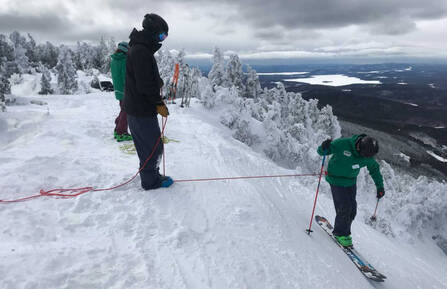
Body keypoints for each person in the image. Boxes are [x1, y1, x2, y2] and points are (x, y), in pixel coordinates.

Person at [124, 13, 173, 190]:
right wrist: (158, 103)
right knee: (151, 147)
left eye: (164, 37)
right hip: (140, 110)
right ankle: (150, 182)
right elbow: (144, 85)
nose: (162, 40)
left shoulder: (140, 49)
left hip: (139, 108)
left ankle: (151, 175)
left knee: (151, 146)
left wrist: (156, 81)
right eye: (161, 36)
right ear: (153, 32)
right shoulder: (140, 51)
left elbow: (144, 78)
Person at [317, 134, 385, 247]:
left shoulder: (367, 156)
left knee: (352, 210)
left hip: (351, 182)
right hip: (336, 179)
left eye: (368, 156)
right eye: (365, 155)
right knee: (345, 207)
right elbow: (321, 152)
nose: (366, 158)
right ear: (359, 147)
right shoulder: (342, 144)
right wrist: (324, 146)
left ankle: (344, 231)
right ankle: (340, 233)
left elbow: (374, 169)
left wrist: (380, 187)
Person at [110, 41, 132, 142]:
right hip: (125, 90)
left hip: (118, 90)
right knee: (126, 111)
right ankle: (121, 132)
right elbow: (125, 77)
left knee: (123, 110)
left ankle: (117, 127)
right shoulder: (124, 60)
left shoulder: (114, 59)